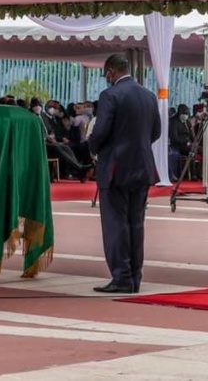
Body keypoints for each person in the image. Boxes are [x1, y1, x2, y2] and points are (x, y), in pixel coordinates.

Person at [89, 53, 161, 294]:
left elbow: (100, 132)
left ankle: (121, 277)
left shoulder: (110, 95)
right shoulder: (149, 95)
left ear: (110, 72)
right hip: (142, 167)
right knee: (136, 223)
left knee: (115, 224)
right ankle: (134, 278)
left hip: (115, 168)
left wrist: (92, 147)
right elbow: (156, 132)